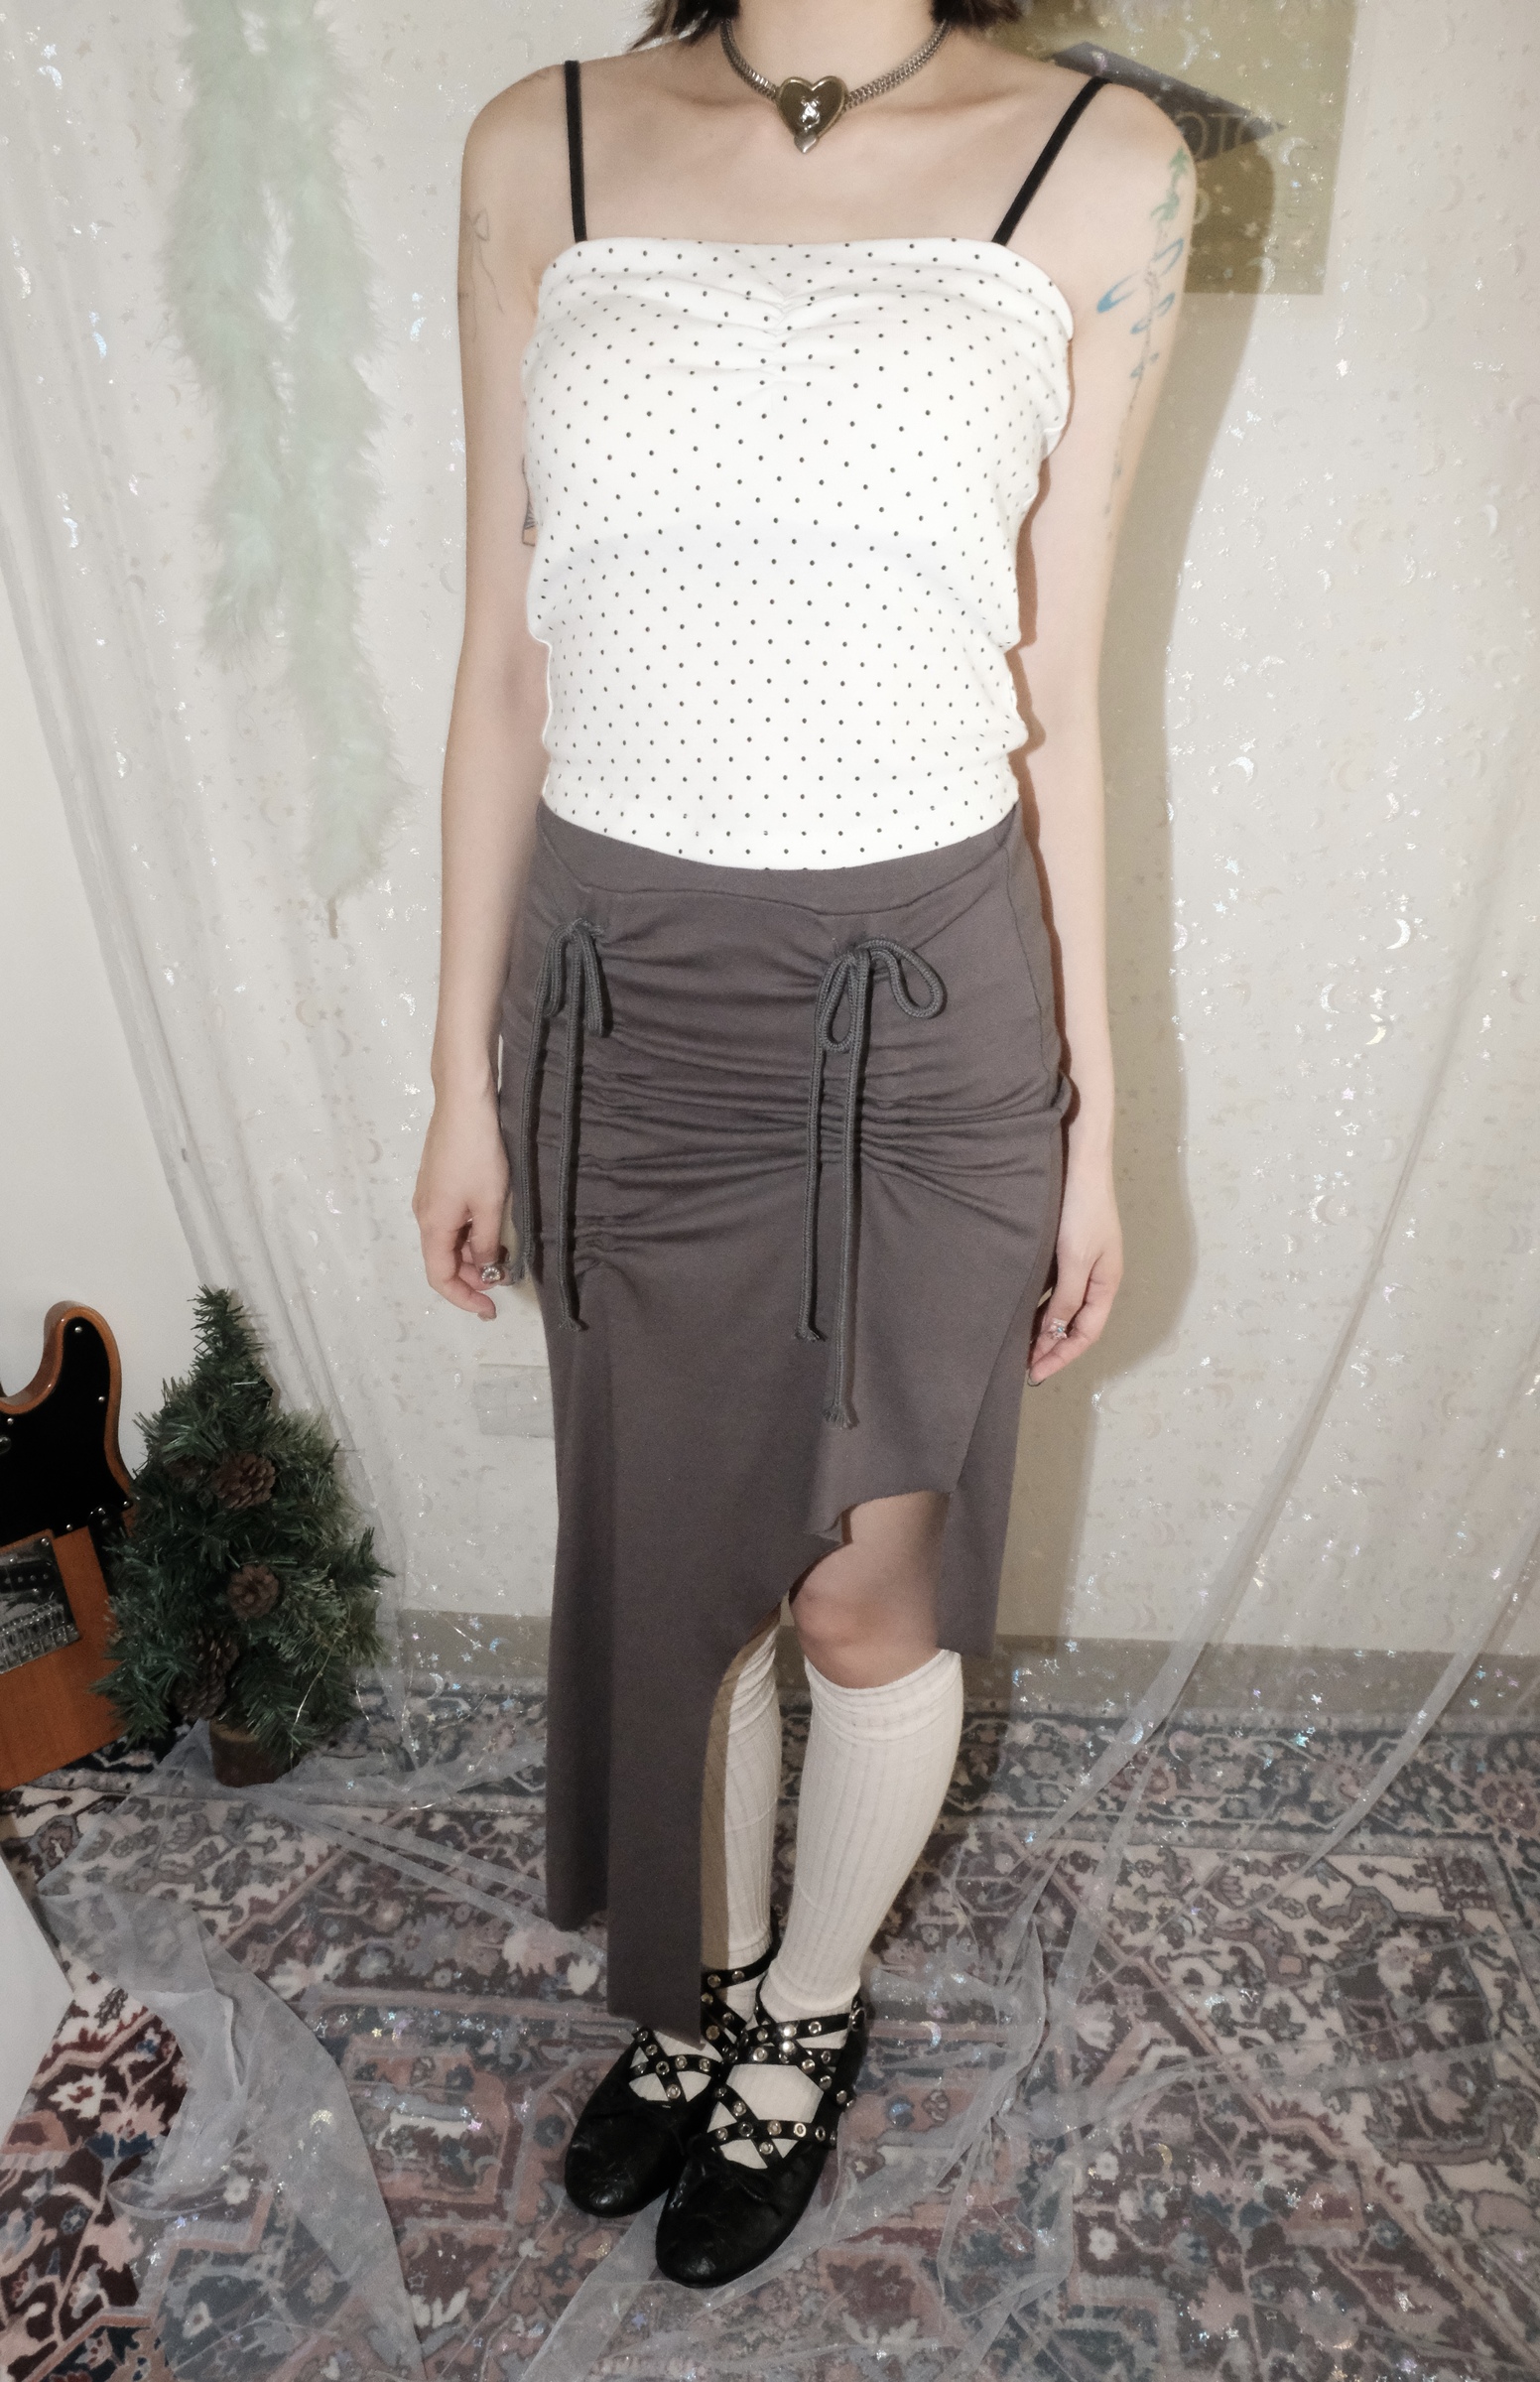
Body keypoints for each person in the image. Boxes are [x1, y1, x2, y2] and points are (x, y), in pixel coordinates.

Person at [414, 0, 1192, 2290]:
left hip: (927, 1008)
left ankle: (801, 2020)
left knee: (861, 1585)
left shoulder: (1099, 161)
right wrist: (453, 1072)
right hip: (623, 1007)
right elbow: (498, 663)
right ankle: (697, 1996)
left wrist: (1095, 1112)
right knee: (682, 1576)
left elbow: (1059, 696)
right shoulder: (540, 142)